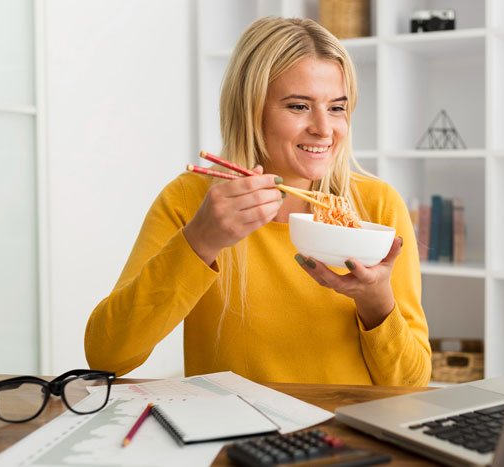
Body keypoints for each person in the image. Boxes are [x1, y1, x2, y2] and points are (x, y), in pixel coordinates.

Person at [85, 16, 431, 386]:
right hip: (237, 436)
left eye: (336, 107)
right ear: (250, 110)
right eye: (299, 106)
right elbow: (109, 356)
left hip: (343, 437)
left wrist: (377, 302)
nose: (324, 128)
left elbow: (410, 385)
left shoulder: (376, 207)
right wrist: (200, 241)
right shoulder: (191, 201)